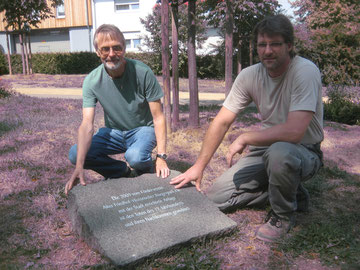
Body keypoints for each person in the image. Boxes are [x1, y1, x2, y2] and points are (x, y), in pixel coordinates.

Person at [170, 14, 323, 242]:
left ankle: (283, 214)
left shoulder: (305, 71)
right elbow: (221, 121)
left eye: (275, 44)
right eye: (262, 45)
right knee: (215, 198)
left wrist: (246, 137)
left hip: (303, 150)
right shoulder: (249, 75)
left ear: (289, 46)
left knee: (281, 152)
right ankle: (289, 191)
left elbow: (294, 132)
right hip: (266, 151)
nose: (267, 51)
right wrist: (198, 166)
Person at [65, 24, 170, 195]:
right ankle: (120, 171)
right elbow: (86, 125)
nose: (111, 54)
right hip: (113, 133)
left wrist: (161, 157)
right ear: (98, 52)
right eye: (105, 49)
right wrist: (79, 166)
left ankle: (146, 173)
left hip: (142, 130)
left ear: (124, 48)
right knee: (75, 153)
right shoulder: (91, 81)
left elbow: (158, 118)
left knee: (135, 157)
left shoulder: (142, 73)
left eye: (116, 48)